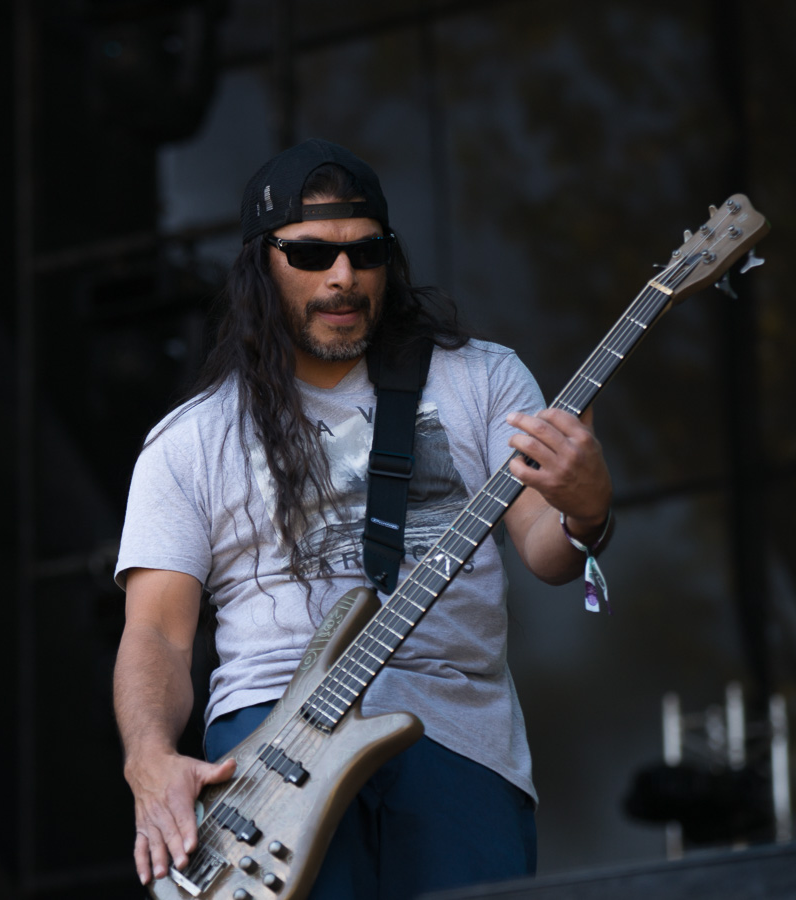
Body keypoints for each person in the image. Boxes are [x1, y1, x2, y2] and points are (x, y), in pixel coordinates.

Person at [113, 139, 613, 899]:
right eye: (312, 254)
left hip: (455, 734)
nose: (343, 275)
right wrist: (148, 757)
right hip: (269, 740)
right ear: (259, 266)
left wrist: (587, 510)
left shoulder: (482, 378)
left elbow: (548, 551)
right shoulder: (190, 441)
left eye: (366, 252)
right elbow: (156, 632)